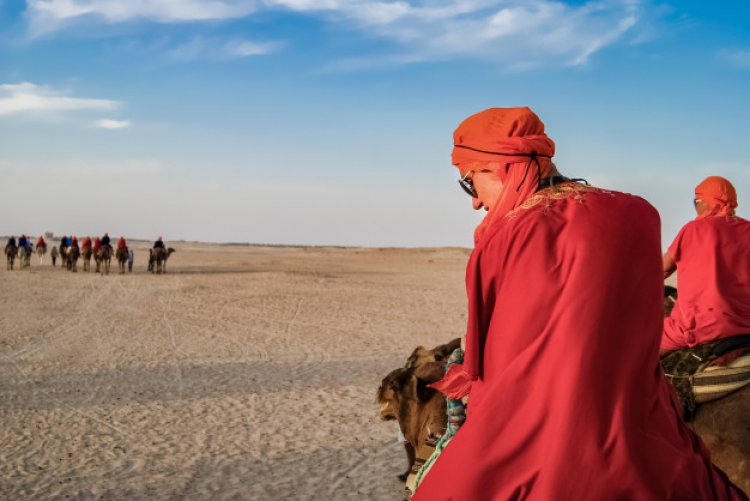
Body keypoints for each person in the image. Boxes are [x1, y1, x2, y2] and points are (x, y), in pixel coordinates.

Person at [412, 107, 745, 500]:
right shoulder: (640, 213)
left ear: (501, 166)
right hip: (644, 429)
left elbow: (495, 370)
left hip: (554, 445)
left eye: (471, 181)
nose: (475, 203)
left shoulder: (509, 233)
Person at [662, 176, 750, 353]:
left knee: (638, 354)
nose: (695, 206)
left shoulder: (694, 229)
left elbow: (661, 271)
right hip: (746, 324)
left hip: (701, 327)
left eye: (696, 201)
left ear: (706, 202)